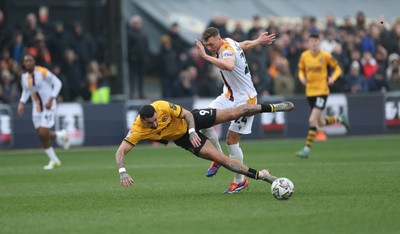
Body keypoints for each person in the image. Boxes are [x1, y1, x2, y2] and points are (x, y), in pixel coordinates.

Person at [116, 100, 294, 191]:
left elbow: (187, 115)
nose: (155, 125)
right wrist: (122, 171)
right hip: (183, 139)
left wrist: (193, 130)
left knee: (231, 113)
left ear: (156, 113)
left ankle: (273, 107)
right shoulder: (137, 129)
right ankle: (265, 177)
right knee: (222, 159)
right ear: (142, 121)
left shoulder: (162, 106)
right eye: (151, 124)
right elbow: (120, 152)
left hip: (192, 121)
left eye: (155, 120)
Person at [195, 27, 276, 193]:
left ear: (219, 39)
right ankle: (218, 157)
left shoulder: (225, 49)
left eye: (211, 44)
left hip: (245, 100)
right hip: (229, 95)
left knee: (231, 140)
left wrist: (206, 56)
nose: (210, 47)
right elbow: (243, 45)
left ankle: (239, 181)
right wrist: (258, 41)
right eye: (206, 45)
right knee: (203, 121)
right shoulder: (229, 42)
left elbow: (229, 66)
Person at [296, 33, 350, 159]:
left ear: (319, 42)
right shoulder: (304, 56)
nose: (314, 43)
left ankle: (306, 149)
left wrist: (333, 78)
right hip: (310, 92)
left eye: (316, 41)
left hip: (322, 92)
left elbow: (338, 69)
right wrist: (301, 77)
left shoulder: (325, 56)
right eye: (311, 41)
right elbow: (300, 70)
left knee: (312, 120)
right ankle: (341, 119)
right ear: (308, 43)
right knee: (320, 121)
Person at [17, 54, 70, 170]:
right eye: (26, 61)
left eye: (30, 60)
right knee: (42, 136)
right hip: (37, 109)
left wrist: (52, 98)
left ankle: (59, 142)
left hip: (48, 106)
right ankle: (55, 156)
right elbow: (26, 91)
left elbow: (58, 83)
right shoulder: (24, 77)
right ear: (24, 64)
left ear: (34, 61)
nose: (28, 63)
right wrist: (21, 103)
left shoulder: (42, 72)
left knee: (43, 133)